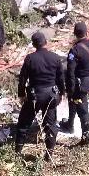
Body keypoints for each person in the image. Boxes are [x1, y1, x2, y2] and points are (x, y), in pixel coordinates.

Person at [15, 32, 65, 161]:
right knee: (50, 125)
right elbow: (60, 78)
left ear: (33, 44)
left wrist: (21, 95)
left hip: (34, 96)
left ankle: (17, 151)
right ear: (45, 42)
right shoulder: (55, 57)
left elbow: (22, 79)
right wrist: (62, 94)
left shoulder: (30, 58)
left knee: (24, 123)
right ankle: (49, 155)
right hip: (51, 96)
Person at [60, 22, 89, 145]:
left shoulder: (75, 50)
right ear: (87, 32)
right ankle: (70, 123)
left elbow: (71, 73)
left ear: (75, 34)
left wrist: (71, 89)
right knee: (72, 101)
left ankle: (85, 139)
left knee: (83, 111)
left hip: (79, 85)